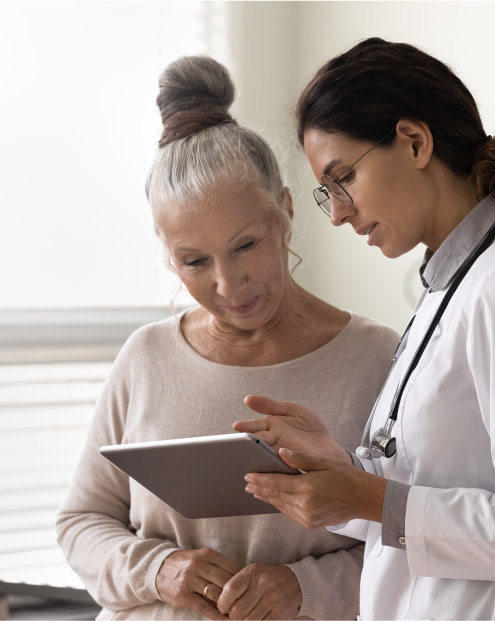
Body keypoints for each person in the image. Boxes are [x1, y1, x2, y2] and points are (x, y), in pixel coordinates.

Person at [236, 38, 495, 620]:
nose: (339, 211)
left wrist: (371, 496)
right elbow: (428, 490)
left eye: (342, 177)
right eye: (328, 192)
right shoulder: (449, 286)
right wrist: (341, 475)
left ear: (415, 142)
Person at [55, 55, 400, 621]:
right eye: (194, 261)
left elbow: (412, 538)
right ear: (169, 259)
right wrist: (158, 571)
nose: (227, 284)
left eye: (246, 246)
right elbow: (81, 522)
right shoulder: (145, 358)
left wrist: (302, 587)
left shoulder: (378, 359)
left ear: (285, 212)